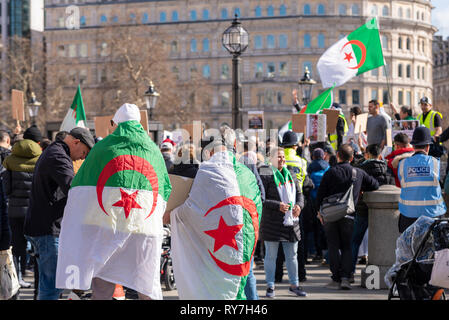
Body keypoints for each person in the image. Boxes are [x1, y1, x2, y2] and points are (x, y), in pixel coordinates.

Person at [55, 103, 172, 300]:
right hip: (144, 227)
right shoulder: (153, 150)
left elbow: (82, 184)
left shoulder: (103, 147)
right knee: (147, 284)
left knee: (102, 284)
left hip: (108, 226)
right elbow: (165, 188)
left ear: (116, 123)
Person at [166, 139, 262, 300]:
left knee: (218, 284)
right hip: (245, 234)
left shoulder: (208, 170)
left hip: (219, 241)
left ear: (209, 153)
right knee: (239, 280)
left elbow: (194, 208)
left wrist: (173, 214)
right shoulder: (247, 173)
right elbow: (258, 203)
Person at [24, 127, 94, 300]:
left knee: (48, 285)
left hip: (42, 226)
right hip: (47, 229)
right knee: (52, 286)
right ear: (76, 142)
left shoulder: (55, 152)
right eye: (84, 152)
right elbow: (73, 188)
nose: (82, 158)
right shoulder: (58, 156)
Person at [316, 144, 379, 290]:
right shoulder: (358, 173)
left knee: (333, 246)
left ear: (337, 155)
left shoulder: (330, 172)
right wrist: (360, 189)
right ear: (352, 158)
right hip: (349, 215)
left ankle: (335, 278)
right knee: (347, 247)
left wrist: (320, 212)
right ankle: (346, 277)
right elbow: (375, 185)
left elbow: (320, 195)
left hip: (330, 215)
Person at [259, 147, 307, 298]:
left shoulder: (291, 173)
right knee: (271, 256)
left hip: (291, 222)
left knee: (292, 256)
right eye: (279, 157)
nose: (282, 159)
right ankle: (270, 286)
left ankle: (295, 285)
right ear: (271, 159)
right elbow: (261, 199)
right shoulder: (265, 174)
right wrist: (277, 205)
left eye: (283, 157)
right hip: (272, 222)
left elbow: (300, 194)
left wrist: (299, 205)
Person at [2, 135, 42, 288]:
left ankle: (15, 285)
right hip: (34, 212)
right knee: (37, 251)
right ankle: (38, 292)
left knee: (16, 251)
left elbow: (7, 189)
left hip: (14, 212)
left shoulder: (10, 161)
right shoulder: (40, 160)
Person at [351, 144, 394, 280]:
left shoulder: (359, 169)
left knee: (355, 241)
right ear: (380, 155)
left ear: (367, 155)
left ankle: (349, 273)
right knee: (384, 241)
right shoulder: (388, 169)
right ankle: (386, 273)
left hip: (362, 210)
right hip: (384, 212)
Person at [397, 127, 446, 233]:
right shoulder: (436, 163)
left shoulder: (402, 164)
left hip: (408, 217)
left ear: (413, 146)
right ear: (428, 147)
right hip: (433, 216)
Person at [303, 148, 329, 264]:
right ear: (323, 156)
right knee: (325, 226)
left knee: (313, 227)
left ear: (313, 157)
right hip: (325, 201)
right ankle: (325, 252)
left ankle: (315, 251)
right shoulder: (328, 168)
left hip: (312, 201)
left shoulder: (309, 168)